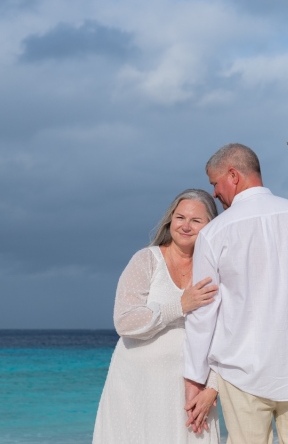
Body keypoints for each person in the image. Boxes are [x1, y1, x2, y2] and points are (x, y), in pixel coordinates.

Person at [184, 143, 288, 444]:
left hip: (242, 372)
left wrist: (194, 378)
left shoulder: (215, 233)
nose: (215, 194)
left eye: (215, 184)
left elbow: (204, 313)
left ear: (233, 175)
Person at [93, 189, 221, 444]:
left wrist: (213, 387)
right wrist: (180, 305)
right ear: (169, 220)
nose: (186, 226)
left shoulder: (216, 269)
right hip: (135, 388)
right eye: (180, 217)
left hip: (191, 389)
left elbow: (226, 332)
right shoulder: (146, 260)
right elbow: (124, 321)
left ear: (210, 226)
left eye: (196, 220)